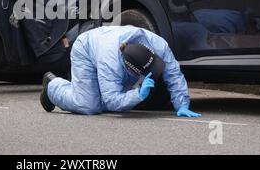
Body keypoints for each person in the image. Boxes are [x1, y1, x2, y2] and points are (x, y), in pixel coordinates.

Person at [40, 26, 200, 117]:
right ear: (129, 68)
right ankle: (53, 87)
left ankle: (84, 90)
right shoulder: (110, 62)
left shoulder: (158, 45)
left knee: (116, 100)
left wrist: (182, 105)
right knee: (89, 106)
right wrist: (137, 95)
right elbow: (111, 99)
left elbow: (173, 73)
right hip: (86, 49)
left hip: (106, 44)